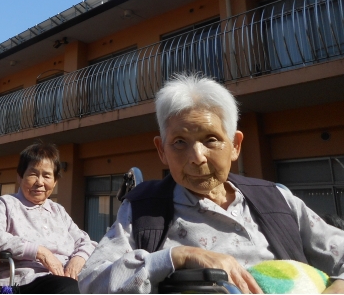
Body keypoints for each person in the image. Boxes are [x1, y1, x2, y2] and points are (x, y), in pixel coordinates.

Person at [78, 74, 344, 294]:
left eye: (211, 140)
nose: (197, 157)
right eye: (179, 142)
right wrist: (178, 256)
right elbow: (92, 281)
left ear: (235, 145)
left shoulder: (277, 199)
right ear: (161, 150)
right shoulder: (142, 210)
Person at [0, 141, 97, 294]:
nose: (40, 182)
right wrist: (39, 252)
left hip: (65, 278)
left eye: (47, 176)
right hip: (25, 279)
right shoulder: (8, 203)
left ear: (55, 182)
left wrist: (78, 259)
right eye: (33, 174)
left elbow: (86, 242)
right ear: (20, 177)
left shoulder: (58, 211)